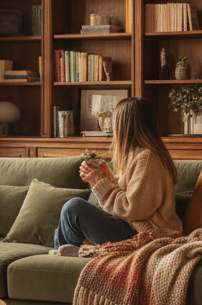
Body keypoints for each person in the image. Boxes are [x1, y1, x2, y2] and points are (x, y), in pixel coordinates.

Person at [52, 96, 181, 255]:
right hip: (133, 228)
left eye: (115, 122)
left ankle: (60, 256)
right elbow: (135, 193)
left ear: (126, 125)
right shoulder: (140, 154)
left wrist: (100, 183)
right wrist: (109, 179)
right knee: (69, 215)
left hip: (143, 235)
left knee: (74, 208)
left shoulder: (147, 158)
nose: (113, 128)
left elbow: (133, 209)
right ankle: (67, 253)